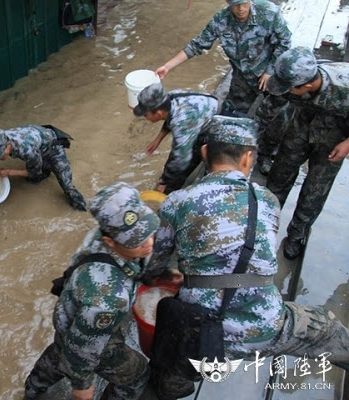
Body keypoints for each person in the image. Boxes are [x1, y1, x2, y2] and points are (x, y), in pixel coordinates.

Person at [146, 116, 349, 400]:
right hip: (266, 327)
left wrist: (172, 274)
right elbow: (257, 255)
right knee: (326, 327)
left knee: (169, 360)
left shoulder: (177, 201)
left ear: (205, 153)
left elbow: (157, 263)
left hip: (199, 333)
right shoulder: (267, 199)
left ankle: (171, 385)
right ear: (248, 158)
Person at [23, 182, 161, 400]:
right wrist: (82, 385)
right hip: (89, 334)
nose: (149, 243)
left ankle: (32, 390)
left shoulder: (100, 237)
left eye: (149, 230)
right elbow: (82, 348)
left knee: (54, 359)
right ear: (110, 242)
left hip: (69, 319)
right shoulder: (108, 299)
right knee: (138, 375)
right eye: (137, 240)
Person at [256, 47, 349, 259]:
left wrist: (347, 144)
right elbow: (269, 107)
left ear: (307, 85)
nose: (286, 92)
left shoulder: (344, 86)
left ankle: (297, 234)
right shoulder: (291, 81)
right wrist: (249, 139)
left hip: (334, 139)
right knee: (279, 174)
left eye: (290, 90)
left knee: (315, 189)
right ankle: (265, 222)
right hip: (301, 128)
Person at [155, 0, 291, 115]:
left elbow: (285, 42)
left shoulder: (269, 12)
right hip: (242, 76)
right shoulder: (220, 20)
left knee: (275, 113)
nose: (241, 9)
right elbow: (196, 45)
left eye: (244, 2)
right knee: (230, 113)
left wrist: (270, 70)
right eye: (235, 4)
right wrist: (167, 66)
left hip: (271, 72)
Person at [133, 82, 219, 193]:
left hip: (214, 124)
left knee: (184, 164)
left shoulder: (182, 122)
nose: (146, 118)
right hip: (205, 110)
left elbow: (181, 159)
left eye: (146, 115)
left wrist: (164, 182)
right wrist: (158, 139)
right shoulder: (170, 98)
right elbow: (169, 118)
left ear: (159, 113)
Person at [0, 125, 87, 211]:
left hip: (53, 146)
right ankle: (45, 168)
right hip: (38, 142)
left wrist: (10, 172)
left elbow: (34, 173)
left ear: (8, 145)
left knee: (66, 184)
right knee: (34, 180)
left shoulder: (26, 148)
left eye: (0, 154)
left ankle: (82, 209)